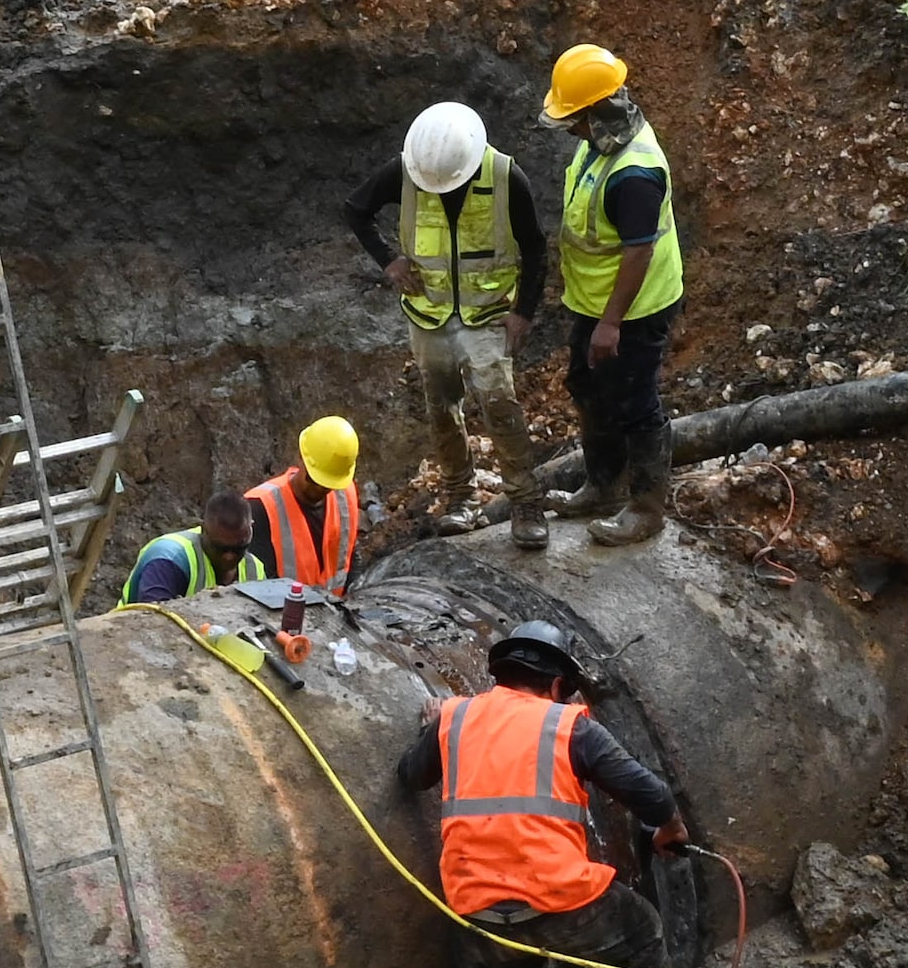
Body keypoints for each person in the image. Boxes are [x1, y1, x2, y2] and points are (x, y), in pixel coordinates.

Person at [392, 618, 685, 968]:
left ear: (502, 676)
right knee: (641, 930)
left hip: (477, 910)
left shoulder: (454, 718)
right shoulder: (570, 727)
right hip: (560, 902)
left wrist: (430, 730)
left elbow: (410, 774)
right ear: (556, 686)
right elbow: (651, 794)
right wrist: (670, 829)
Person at [336, 101, 557, 548]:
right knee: (442, 409)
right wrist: (389, 261)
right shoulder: (406, 170)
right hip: (430, 312)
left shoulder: (505, 177)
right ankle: (460, 497)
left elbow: (535, 246)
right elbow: (355, 209)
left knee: (500, 404)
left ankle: (526, 502)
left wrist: (524, 313)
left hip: (488, 312)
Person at [540, 44, 684, 546]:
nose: (571, 127)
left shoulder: (634, 172)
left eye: (574, 116)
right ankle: (601, 486)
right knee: (587, 386)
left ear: (595, 109)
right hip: (595, 301)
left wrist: (611, 324)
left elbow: (638, 253)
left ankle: (646, 508)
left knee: (634, 401)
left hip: (635, 308)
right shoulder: (603, 140)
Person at [247, 417, 364, 591]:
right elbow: (258, 585)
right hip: (283, 614)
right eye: (313, 479)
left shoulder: (346, 495)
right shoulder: (260, 507)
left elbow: (349, 557)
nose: (319, 489)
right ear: (300, 457)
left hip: (336, 613)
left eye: (328, 485)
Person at [116, 491, 274, 609]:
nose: (229, 556)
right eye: (220, 548)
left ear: (251, 531)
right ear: (203, 529)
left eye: (239, 547)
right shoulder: (168, 560)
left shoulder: (255, 570)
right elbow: (152, 622)